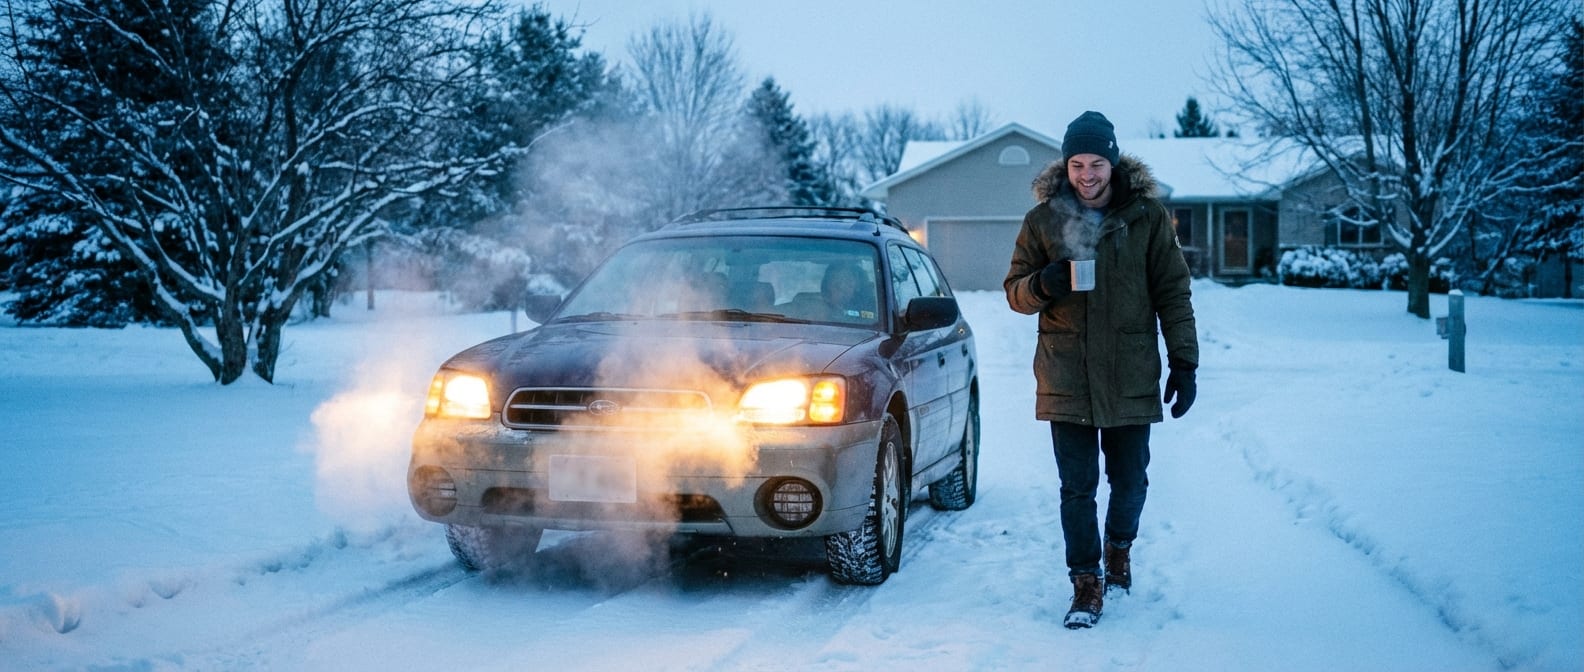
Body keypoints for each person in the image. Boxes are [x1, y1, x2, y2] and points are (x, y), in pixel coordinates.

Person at [1003, 110, 1199, 629]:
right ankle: (1086, 583)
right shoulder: (1042, 221)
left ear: (1112, 163)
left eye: (1096, 164)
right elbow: (1015, 294)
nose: (1086, 175)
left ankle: (1119, 548)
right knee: (1077, 488)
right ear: (1065, 166)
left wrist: (1184, 362)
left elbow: (1173, 293)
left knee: (1131, 481)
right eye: (1076, 165)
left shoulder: (1147, 218)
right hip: (1066, 375)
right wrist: (1043, 284)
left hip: (1129, 373)